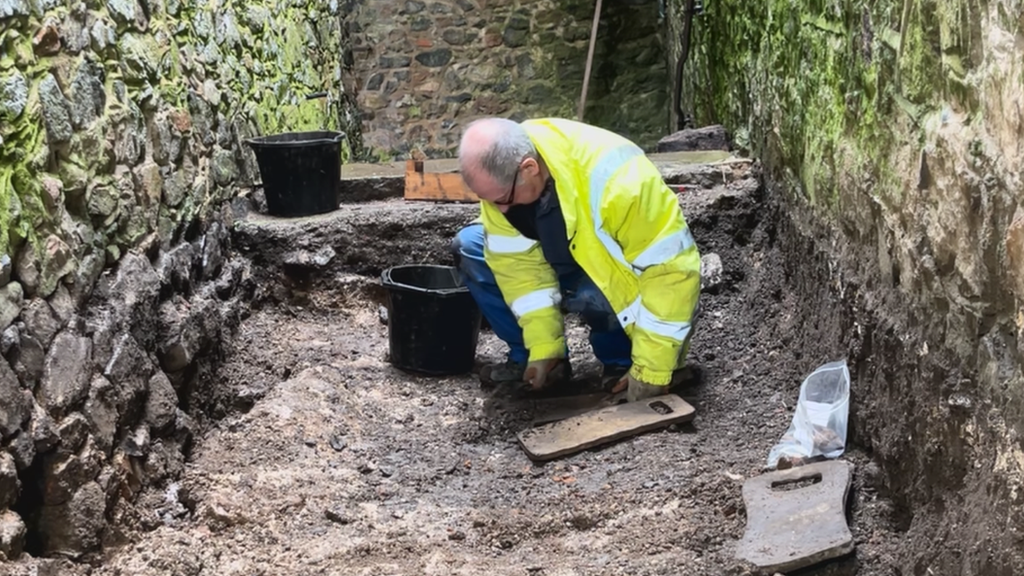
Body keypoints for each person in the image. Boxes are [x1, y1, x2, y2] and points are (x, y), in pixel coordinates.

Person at [449, 117, 701, 402]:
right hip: (568, 260)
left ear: (529, 168)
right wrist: (545, 348)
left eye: (502, 199)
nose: (500, 210)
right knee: (471, 245)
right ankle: (535, 359)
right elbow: (519, 270)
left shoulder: (621, 181)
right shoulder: (505, 182)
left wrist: (652, 370)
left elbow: (671, 273)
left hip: (617, 278)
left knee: (588, 291)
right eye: (490, 201)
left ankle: (625, 359)